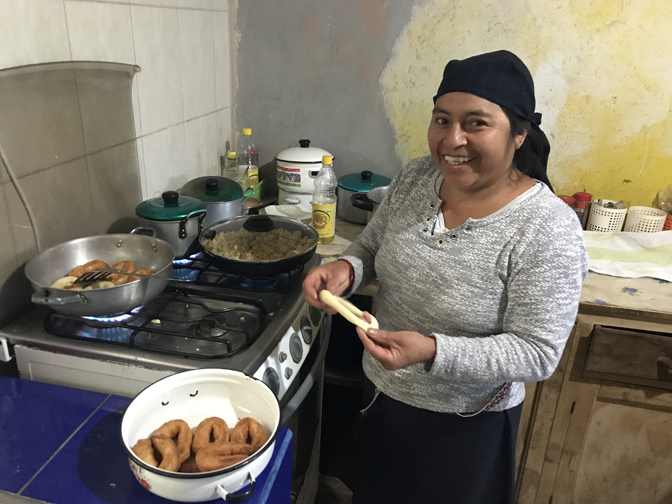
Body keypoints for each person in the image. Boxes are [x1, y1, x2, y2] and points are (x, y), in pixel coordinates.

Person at [303, 50, 587, 504]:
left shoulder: (546, 228)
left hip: (464, 424)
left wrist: (433, 351)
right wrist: (346, 269)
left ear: (519, 135)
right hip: (382, 396)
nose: (452, 140)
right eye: (441, 119)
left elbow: (538, 353)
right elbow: (372, 246)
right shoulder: (418, 176)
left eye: (476, 123)